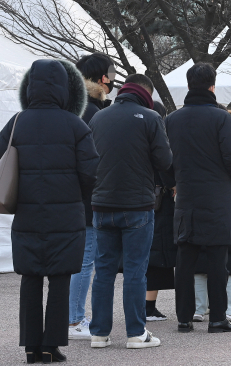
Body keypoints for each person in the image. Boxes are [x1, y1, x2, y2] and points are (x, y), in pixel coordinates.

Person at [1, 59, 99, 363]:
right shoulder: (75, 124)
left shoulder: (16, 122)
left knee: (30, 278)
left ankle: (31, 346)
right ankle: (51, 345)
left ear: (30, 87)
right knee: (59, 278)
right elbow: (91, 172)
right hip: (67, 215)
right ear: (65, 89)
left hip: (27, 215)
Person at [89, 74, 172, 349]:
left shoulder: (98, 117)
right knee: (136, 270)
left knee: (103, 271)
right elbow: (164, 160)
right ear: (146, 93)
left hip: (102, 203)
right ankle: (136, 333)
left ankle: (99, 333)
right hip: (137, 204)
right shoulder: (150, 118)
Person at [165, 63, 231, 333]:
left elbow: (165, 161)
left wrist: (174, 183)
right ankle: (217, 317)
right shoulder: (222, 119)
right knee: (217, 259)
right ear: (213, 86)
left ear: (189, 86)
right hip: (218, 198)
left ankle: (184, 317)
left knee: (185, 259)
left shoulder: (172, 119)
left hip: (186, 196)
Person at [68, 52, 115, 340]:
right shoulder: (92, 112)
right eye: (109, 73)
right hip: (87, 197)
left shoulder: (71, 106)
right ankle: (74, 319)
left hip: (68, 195)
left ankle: (72, 316)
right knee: (85, 260)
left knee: (79, 259)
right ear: (101, 78)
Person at [144, 101, 177, 322]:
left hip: (138, 198)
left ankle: (144, 305)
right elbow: (165, 166)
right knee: (155, 257)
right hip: (159, 203)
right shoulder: (159, 138)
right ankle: (148, 307)